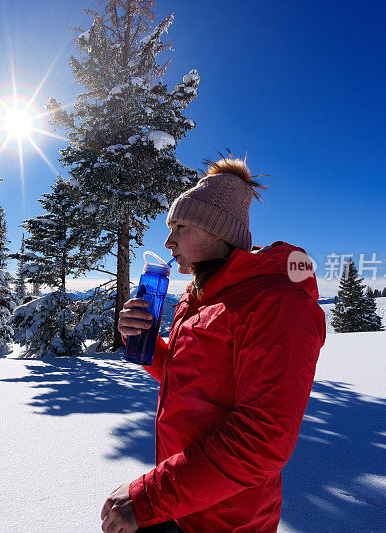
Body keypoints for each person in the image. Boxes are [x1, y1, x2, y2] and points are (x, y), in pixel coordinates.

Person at [101, 155, 327, 533]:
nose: (168, 240)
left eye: (180, 226)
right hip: (181, 501)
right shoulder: (201, 296)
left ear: (217, 230)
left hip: (228, 519)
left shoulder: (276, 302)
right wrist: (145, 343)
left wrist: (149, 497)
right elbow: (189, 380)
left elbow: (262, 439)